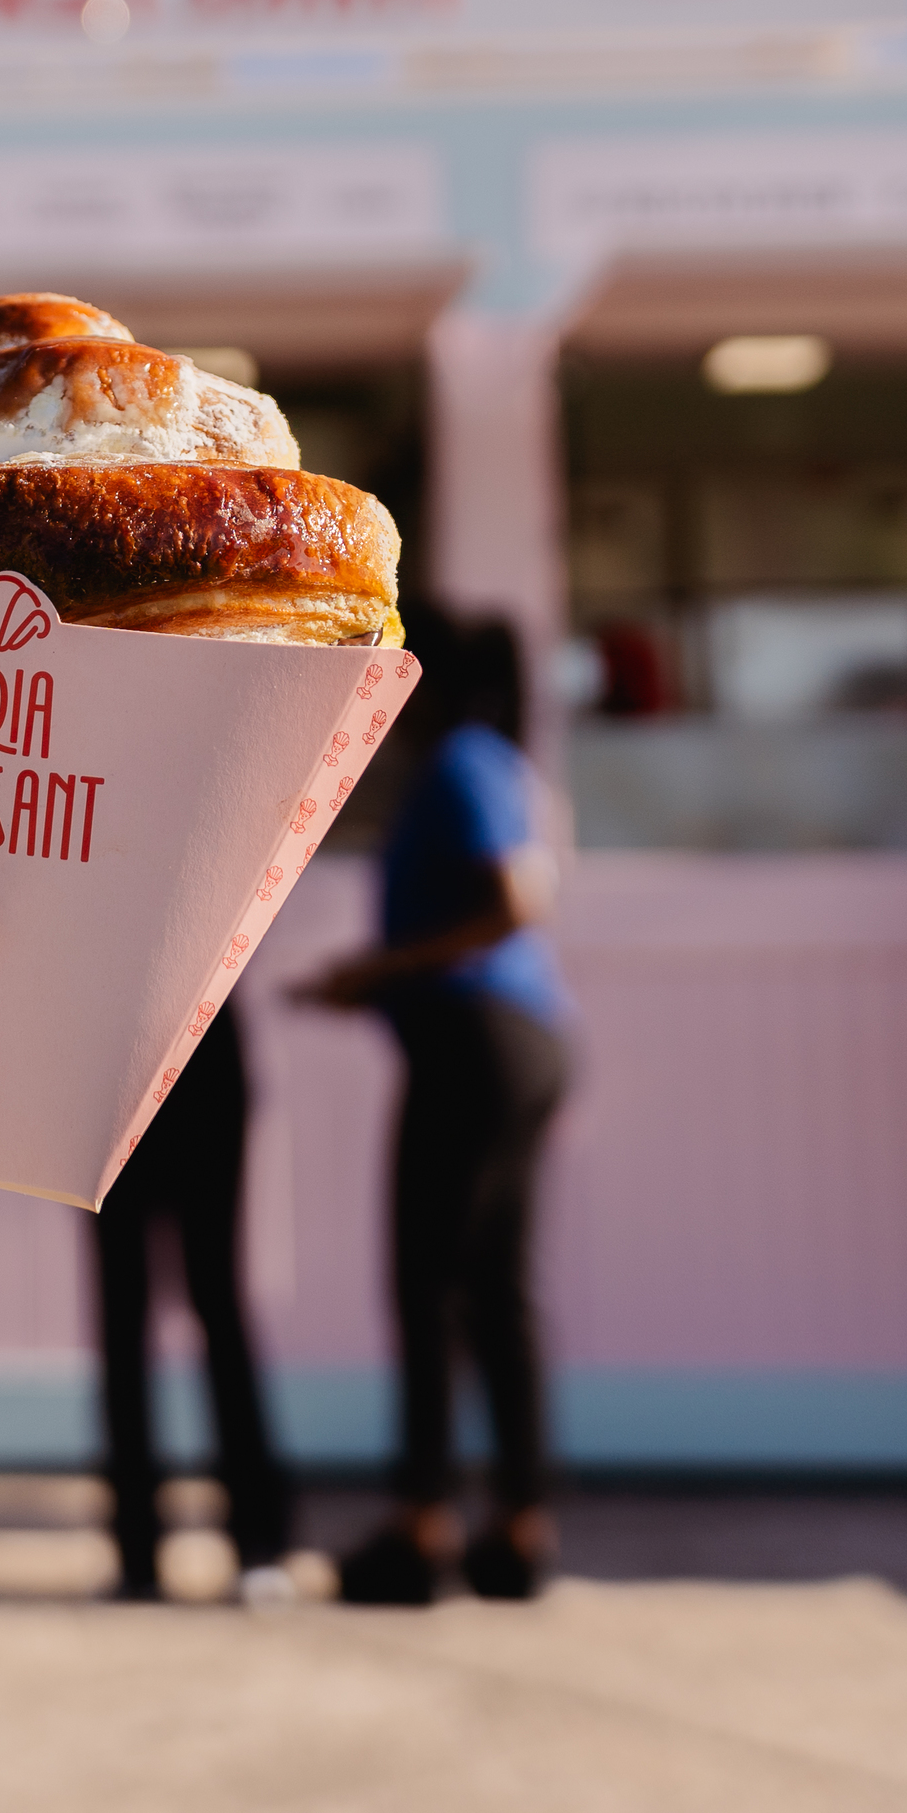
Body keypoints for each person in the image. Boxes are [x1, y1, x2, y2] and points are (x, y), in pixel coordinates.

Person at [298, 618, 573, 1606]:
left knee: (428, 1284)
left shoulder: (462, 760)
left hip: (474, 1045)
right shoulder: (501, 763)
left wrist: (380, 970)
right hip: (517, 1041)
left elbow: (516, 900)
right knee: (497, 1290)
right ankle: (519, 1525)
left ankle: (421, 1526)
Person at [87, 994, 294, 1603]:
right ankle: (139, 1555)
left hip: (194, 1042)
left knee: (211, 1298)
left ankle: (256, 1544)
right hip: (107, 1061)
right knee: (128, 1308)